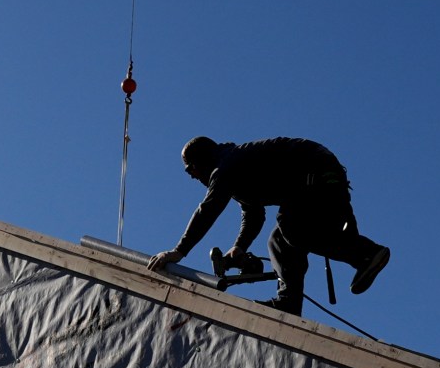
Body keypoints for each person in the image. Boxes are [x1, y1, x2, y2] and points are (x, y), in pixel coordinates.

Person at [147, 135, 391, 315]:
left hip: (317, 172)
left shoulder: (225, 167)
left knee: (291, 225)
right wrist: (239, 247)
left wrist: (179, 250)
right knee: (279, 241)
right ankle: (289, 304)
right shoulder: (238, 170)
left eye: (190, 169)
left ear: (202, 159)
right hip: (320, 174)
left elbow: (208, 208)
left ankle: (365, 254)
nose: (192, 176)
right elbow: (253, 215)